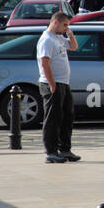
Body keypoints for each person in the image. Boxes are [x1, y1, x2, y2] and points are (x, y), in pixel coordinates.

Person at [37, 10, 79, 164]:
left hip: (64, 82)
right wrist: (52, 83)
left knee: (67, 116)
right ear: (55, 22)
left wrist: (70, 34)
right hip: (52, 83)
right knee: (53, 118)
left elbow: (74, 47)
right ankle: (51, 151)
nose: (66, 28)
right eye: (65, 25)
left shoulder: (59, 37)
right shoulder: (47, 40)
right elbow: (45, 62)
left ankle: (65, 149)